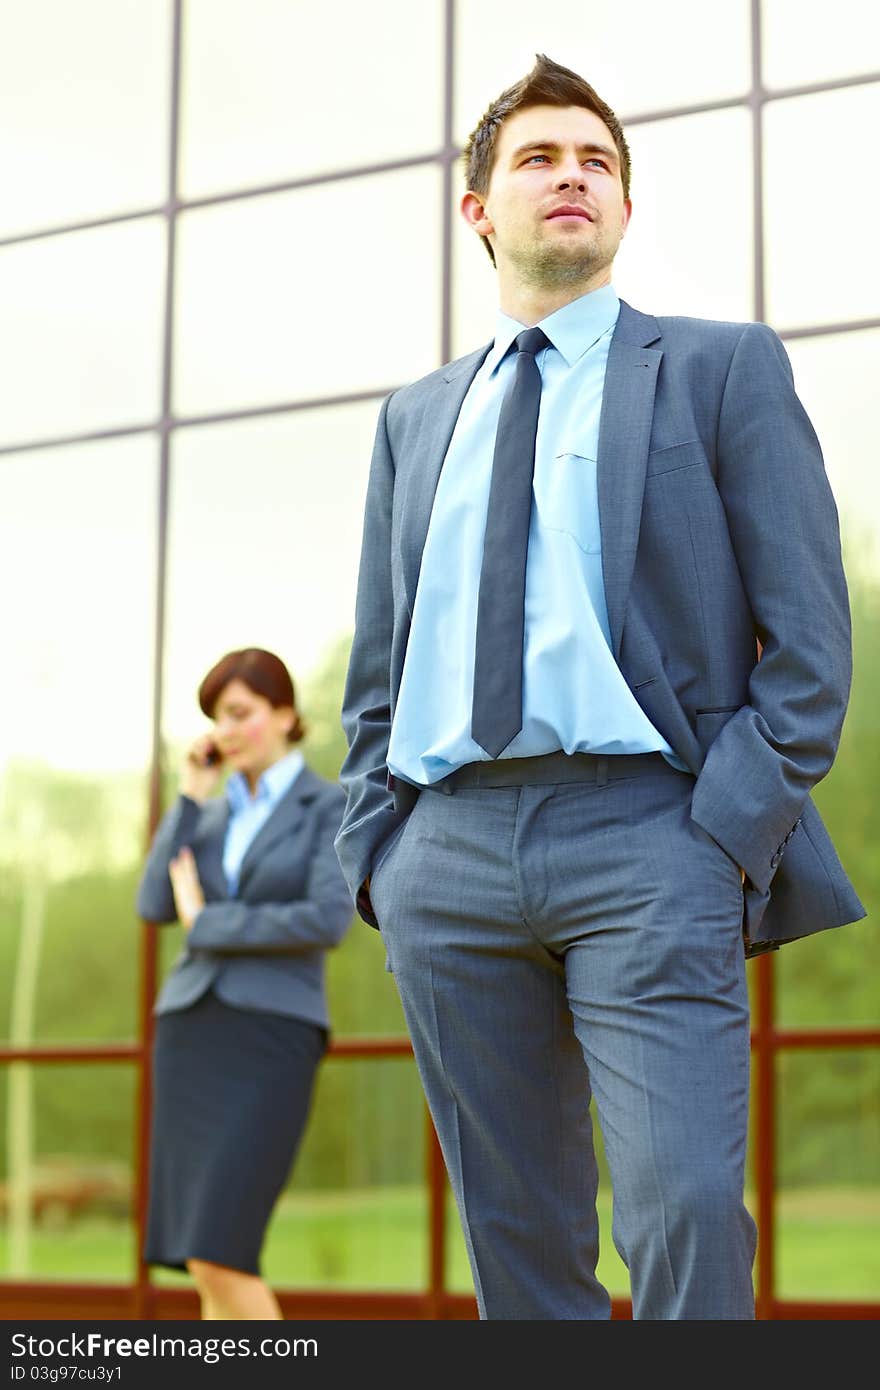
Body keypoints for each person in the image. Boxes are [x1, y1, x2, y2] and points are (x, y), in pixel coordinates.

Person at [334, 55, 865, 1320]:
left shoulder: (719, 368)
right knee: (515, 1240)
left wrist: (724, 833)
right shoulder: (417, 417)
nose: (571, 175)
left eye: (597, 162)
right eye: (538, 157)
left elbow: (807, 639)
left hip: (650, 837)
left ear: (623, 207)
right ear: (478, 209)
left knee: (681, 1207)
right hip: (446, 853)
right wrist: (379, 846)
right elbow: (378, 662)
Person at [136, 647, 352, 1319]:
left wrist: (209, 924)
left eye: (240, 713)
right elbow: (153, 903)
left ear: (285, 715)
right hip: (191, 1031)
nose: (225, 731)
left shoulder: (328, 804)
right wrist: (189, 800)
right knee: (201, 1262)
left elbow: (325, 917)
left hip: (270, 1033)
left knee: (221, 1252)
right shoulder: (212, 810)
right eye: (216, 719)